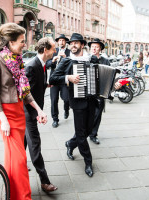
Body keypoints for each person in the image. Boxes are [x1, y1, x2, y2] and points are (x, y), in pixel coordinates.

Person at [0, 23, 47, 199]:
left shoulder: (17, 60)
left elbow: (25, 93)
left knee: (13, 158)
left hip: (19, 113)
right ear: (10, 42)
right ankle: (23, 196)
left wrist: (39, 110)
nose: (25, 45)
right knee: (20, 159)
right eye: (21, 41)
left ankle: (12, 193)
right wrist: (3, 120)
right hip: (6, 116)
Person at [49, 33, 97, 177]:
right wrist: (67, 77)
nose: (73, 45)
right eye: (72, 43)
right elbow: (53, 78)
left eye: (76, 43)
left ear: (82, 45)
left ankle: (70, 144)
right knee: (81, 134)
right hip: (77, 102)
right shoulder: (67, 61)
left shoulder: (92, 59)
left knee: (88, 131)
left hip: (92, 100)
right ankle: (88, 162)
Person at [24, 37, 58, 193]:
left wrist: (46, 84)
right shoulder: (31, 66)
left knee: (23, 141)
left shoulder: (41, 64)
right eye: (53, 49)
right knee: (35, 144)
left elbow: (36, 85)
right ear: (45, 50)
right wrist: (38, 111)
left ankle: (19, 165)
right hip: (28, 112)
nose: (55, 51)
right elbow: (26, 94)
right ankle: (44, 181)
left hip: (33, 110)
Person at [87, 38, 110, 145]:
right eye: (92, 47)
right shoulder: (86, 59)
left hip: (100, 91)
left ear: (100, 48)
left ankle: (93, 134)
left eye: (96, 47)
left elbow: (110, 76)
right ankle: (85, 132)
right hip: (87, 91)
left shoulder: (105, 61)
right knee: (86, 113)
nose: (94, 49)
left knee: (97, 114)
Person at [46, 34, 70, 128]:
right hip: (54, 79)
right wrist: (53, 61)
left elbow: (71, 65)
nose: (61, 42)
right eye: (60, 40)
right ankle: (55, 119)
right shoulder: (53, 51)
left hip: (64, 79)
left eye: (63, 40)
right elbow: (47, 64)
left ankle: (66, 109)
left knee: (66, 98)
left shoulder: (69, 52)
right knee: (54, 100)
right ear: (58, 42)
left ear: (65, 42)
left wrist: (65, 58)